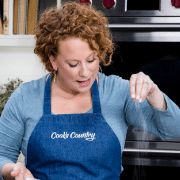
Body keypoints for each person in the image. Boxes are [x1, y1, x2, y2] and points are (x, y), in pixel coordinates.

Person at [0, 2, 180, 180]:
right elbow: (2, 155)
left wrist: (155, 94)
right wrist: (12, 171)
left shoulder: (117, 91)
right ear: (53, 60)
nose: (85, 72)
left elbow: (174, 131)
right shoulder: (26, 97)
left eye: (91, 60)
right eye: (73, 64)